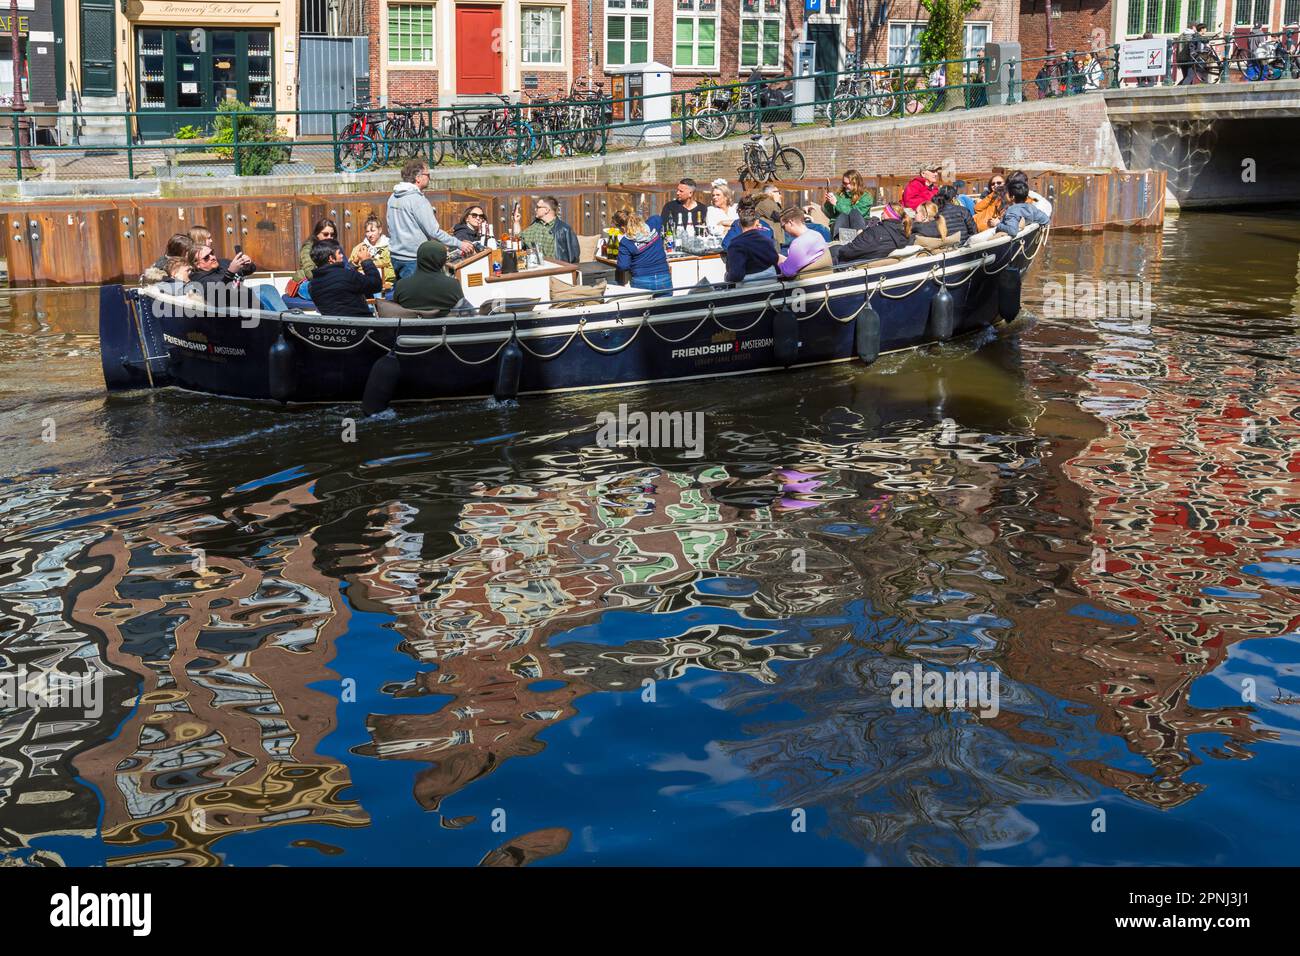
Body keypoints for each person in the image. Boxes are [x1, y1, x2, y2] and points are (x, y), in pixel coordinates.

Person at [388, 159, 473, 281]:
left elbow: (391, 226)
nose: (430, 178)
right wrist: (460, 244)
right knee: (416, 298)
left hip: (395, 256)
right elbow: (434, 232)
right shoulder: (417, 200)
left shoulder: (393, 196)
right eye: (428, 175)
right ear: (418, 178)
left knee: (403, 295)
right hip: (413, 258)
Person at [304, 238, 382, 316]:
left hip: (333, 326)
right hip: (360, 325)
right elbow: (376, 284)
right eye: (339, 253)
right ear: (331, 258)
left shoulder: (312, 286)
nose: (342, 256)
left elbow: (339, 283)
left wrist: (353, 265)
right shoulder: (348, 276)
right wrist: (366, 260)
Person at [391, 240, 464, 314]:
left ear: (419, 257)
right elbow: (463, 311)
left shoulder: (402, 285)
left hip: (412, 324)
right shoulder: (453, 285)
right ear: (442, 260)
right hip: (444, 325)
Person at [612, 207, 672, 292]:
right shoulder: (653, 224)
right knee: (667, 305)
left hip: (642, 280)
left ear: (622, 227)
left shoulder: (625, 242)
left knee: (644, 305)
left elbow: (623, 266)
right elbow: (658, 217)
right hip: (663, 277)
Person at [833, 202, 911, 264]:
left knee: (833, 250)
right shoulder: (904, 235)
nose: (881, 213)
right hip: (874, 260)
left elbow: (848, 251)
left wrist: (860, 236)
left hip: (856, 264)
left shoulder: (875, 232)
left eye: (884, 211)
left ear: (888, 214)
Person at [724, 198, 779, 283]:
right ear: (756, 223)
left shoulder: (735, 244)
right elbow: (775, 259)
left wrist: (727, 277)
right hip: (771, 280)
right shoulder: (767, 239)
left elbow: (725, 244)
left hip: (748, 285)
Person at [514, 195, 580, 263]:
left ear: (546, 210)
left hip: (556, 270)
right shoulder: (534, 227)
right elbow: (518, 241)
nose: (535, 209)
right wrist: (516, 222)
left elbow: (574, 257)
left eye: (538, 207)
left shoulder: (564, 230)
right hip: (534, 269)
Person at [187, 225, 256, 280]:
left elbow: (247, 271)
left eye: (212, 253)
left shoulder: (222, 263)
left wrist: (248, 264)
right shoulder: (199, 276)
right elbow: (220, 290)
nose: (211, 241)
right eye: (208, 238)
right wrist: (230, 273)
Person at [348, 214, 396, 290]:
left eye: (373, 231)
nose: (370, 234)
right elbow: (349, 269)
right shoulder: (358, 248)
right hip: (364, 287)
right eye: (367, 231)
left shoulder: (390, 247)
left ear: (380, 230)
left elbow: (393, 270)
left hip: (386, 288)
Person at [778, 207, 829, 278]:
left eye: (783, 227)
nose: (784, 230)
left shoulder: (798, 243)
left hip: (804, 283)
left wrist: (779, 261)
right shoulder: (817, 234)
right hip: (820, 277)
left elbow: (787, 272)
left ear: (790, 222)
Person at [823, 169, 873, 237]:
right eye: (843, 183)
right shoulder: (840, 195)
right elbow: (830, 214)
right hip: (839, 226)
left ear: (856, 183)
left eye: (847, 183)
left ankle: (858, 239)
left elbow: (856, 213)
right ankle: (839, 238)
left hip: (857, 225)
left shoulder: (866, 197)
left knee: (848, 214)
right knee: (842, 216)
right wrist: (829, 202)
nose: (845, 186)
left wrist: (837, 204)